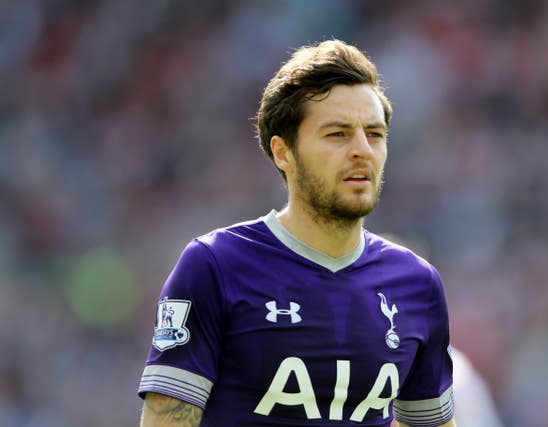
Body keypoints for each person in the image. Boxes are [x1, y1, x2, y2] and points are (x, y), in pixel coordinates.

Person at [137, 39, 456, 427]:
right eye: (337, 134)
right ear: (284, 152)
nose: (362, 150)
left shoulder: (417, 284)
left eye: (374, 134)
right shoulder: (215, 265)